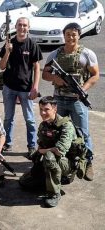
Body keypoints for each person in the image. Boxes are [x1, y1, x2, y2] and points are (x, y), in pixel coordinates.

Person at [42, 23, 99, 181]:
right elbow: (45, 74)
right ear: (64, 35)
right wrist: (56, 79)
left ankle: (87, 162)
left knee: (83, 132)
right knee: (59, 132)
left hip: (77, 100)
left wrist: (84, 88)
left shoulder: (87, 54)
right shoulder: (55, 54)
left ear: (79, 35)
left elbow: (95, 75)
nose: (71, 37)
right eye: (68, 34)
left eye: (74, 34)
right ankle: (63, 162)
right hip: (59, 100)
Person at [20, 96, 88, 207]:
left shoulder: (66, 125)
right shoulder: (44, 125)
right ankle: (47, 180)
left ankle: (54, 194)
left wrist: (41, 151)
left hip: (68, 164)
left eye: (46, 109)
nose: (42, 113)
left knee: (49, 155)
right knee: (25, 183)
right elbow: (41, 144)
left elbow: (59, 151)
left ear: (55, 109)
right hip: (53, 160)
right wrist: (38, 155)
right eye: (41, 109)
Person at [0, 17, 42, 156]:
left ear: (28, 28)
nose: (22, 28)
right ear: (15, 27)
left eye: (24, 25)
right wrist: (7, 51)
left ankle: (31, 146)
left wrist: (35, 87)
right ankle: (7, 143)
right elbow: (2, 66)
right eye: (19, 25)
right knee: (8, 118)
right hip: (9, 87)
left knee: (29, 119)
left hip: (26, 88)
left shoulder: (32, 45)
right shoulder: (9, 43)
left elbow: (36, 67)